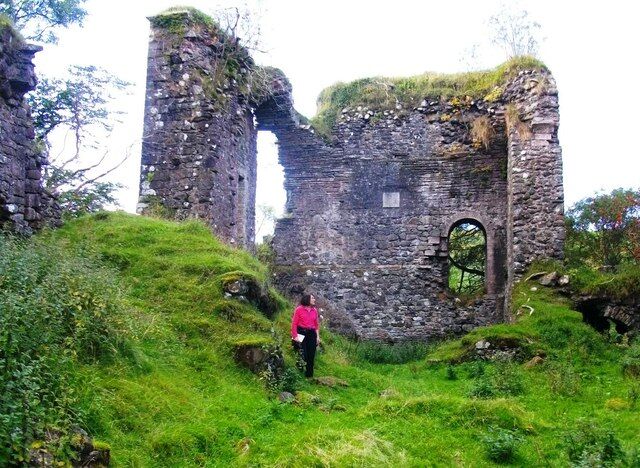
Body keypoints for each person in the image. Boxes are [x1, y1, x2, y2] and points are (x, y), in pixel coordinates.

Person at [291, 293, 321, 378]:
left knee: (311, 355)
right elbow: (294, 324)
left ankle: (309, 376)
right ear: (307, 299)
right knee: (302, 353)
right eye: (312, 298)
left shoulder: (314, 310)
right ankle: (299, 373)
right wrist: (295, 336)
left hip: (311, 334)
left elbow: (316, 325)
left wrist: (318, 337)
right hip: (301, 332)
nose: (314, 300)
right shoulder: (299, 309)